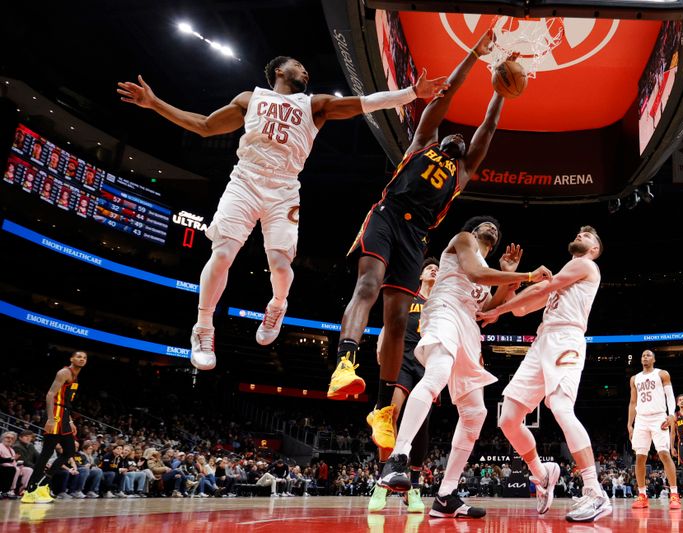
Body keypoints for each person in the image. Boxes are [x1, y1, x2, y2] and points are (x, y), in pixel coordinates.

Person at [118, 57, 447, 372]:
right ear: (278, 70)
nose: (304, 71)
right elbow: (204, 126)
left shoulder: (314, 105)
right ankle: (203, 327)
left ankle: (277, 305)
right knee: (222, 253)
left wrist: (412, 94)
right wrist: (155, 103)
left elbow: (362, 103)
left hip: (284, 189)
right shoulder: (251, 99)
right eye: (297, 66)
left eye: (304, 69)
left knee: (280, 264)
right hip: (245, 180)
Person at [328, 30, 508, 458]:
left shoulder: (461, 174)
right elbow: (446, 94)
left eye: (463, 143)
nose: (459, 138)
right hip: (387, 216)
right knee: (367, 287)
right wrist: (473, 55)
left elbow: (489, 125)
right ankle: (345, 363)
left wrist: (500, 91)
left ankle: (381, 409)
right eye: (455, 135)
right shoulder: (422, 142)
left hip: (415, 238)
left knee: (395, 320)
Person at [379, 216, 548, 518]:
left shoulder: (488, 270)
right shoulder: (463, 240)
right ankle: (397, 458)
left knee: (475, 414)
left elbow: (485, 310)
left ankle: (446, 496)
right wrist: (527, 275)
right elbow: (476, 273)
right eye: (486, 224)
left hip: (469, 326)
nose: (492, 227)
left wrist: (509, 279)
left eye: (497, 227)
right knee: (438, 373)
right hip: (445, 310)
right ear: (473, 229)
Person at [477, 226, 610, 523]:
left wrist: (498, 310)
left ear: (594, 250)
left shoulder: (585, 265)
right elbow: (524, 310)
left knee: (561, 406)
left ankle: (594, 491)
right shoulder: (563, 279)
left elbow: (538, 289)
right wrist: (510, 283)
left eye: (588, 235)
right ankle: (542, 473)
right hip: (542, 341)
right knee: (508, 419)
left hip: (567, 338)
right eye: (578, 231)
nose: (580, 234)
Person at [369, 257, 439, 513]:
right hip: (403, 358)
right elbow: (391, 322)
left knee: (421, 425)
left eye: (438, 269)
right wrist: (380, 343)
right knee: (390, 416)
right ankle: (382, 482)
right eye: (430, 267)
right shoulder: (410, 297)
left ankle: (415, 488)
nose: (434, 270)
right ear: (420, 275)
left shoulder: (442, 303)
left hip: (428, 363)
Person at [21, 351, 87, 504]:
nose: (82, 359)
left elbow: (66, 403)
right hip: (55, 414)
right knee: (46, 453)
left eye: (84, 358)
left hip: (63, 414)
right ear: (71, 359)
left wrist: (69, 420)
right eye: (78, 356)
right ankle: (30, 491)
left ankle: (44, 482)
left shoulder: (76, 376)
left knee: (70, 451)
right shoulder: (64, 372)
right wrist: (50, 418)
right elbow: (50, 395)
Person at [627, 350, 680, 510]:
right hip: (641, 419)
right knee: (640, 457)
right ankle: (642, 495)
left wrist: (671, 414)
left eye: (648, 355)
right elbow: (632, 402)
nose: (645, 357)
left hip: (659, 417)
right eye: (643, 355)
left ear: (654, 359)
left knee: (664, 453)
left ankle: (674, 494)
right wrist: (630, 423)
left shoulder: (662, 374)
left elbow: (670, 396)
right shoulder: (634, 378)